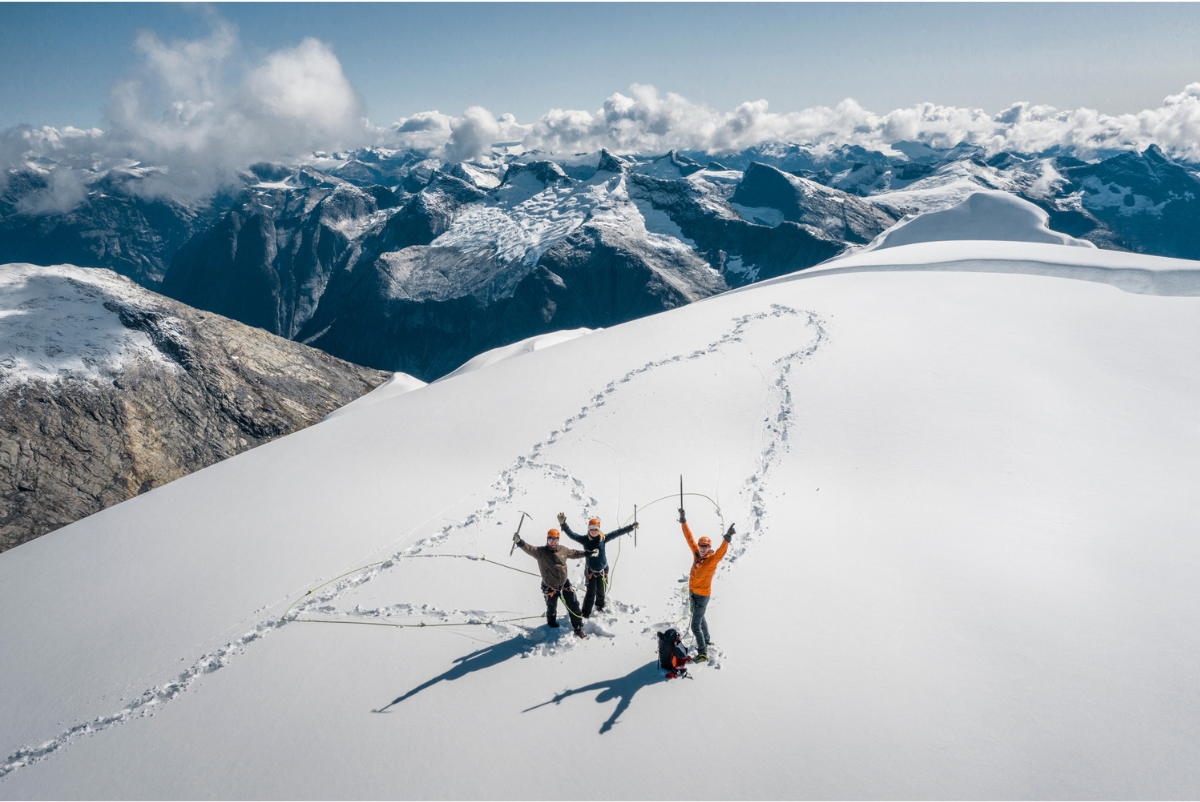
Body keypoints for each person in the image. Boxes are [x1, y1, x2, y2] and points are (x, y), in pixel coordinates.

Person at [514, 528, 594, 637]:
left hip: (564, 584)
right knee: (551, 608)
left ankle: (578, 627)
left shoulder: (563, 550)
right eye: (551, 539)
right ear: (547, 540)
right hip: (549, 586)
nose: (553, 542)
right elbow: (529, 549)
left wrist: (587, 553)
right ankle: (551, 624)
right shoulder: (540, 552)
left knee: (574, 606)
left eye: (555, 540)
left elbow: (574, 553)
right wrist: (519, 542)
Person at [679, 507, 735, 662]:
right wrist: (683, 521)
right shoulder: (697, 554)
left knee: (695, 626)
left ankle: (703, 653)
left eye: (705, 547)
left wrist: (727, 539)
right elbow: (689, 538)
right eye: (701, 546)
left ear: (709, 547)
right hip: (693, 593)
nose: (702, 549)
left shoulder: (711, 561)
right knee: (701, 619)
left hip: (702, 596)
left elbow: (721, 553)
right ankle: (708, 639)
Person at [557, 513, 638, 618]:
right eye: (591, 529)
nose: (593, 532)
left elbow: (617, 532)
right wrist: (564, 524)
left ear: (598, 530)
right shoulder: (585, 540)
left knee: (601, 591)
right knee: (590, 593)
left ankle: (600, 606)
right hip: (591, 572)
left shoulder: (603, 539)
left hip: (603, 570)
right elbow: (572, 535)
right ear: (588, 530)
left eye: (595, 529)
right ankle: (586, 613)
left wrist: (631, 527)